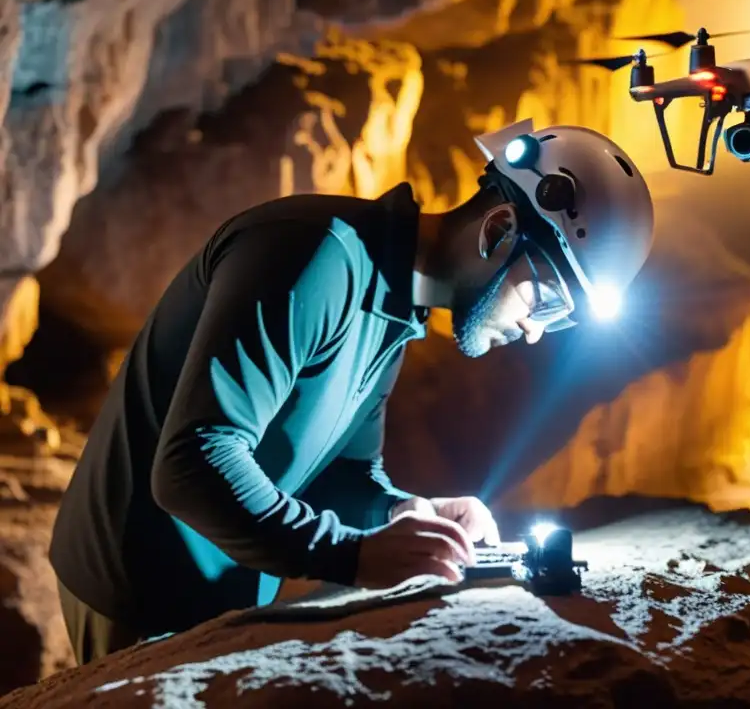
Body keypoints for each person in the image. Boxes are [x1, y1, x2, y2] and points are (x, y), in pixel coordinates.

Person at [48, 118, 655, 665]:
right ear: (499, 229)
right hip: (137, 590)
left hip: (222, 589)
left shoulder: (395, 307)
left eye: (559, 321)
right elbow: (188, 465)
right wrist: (351, 557)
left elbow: (340, 470)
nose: (533, 332)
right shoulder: (316, 255)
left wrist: (404, 512)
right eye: (546, 300)